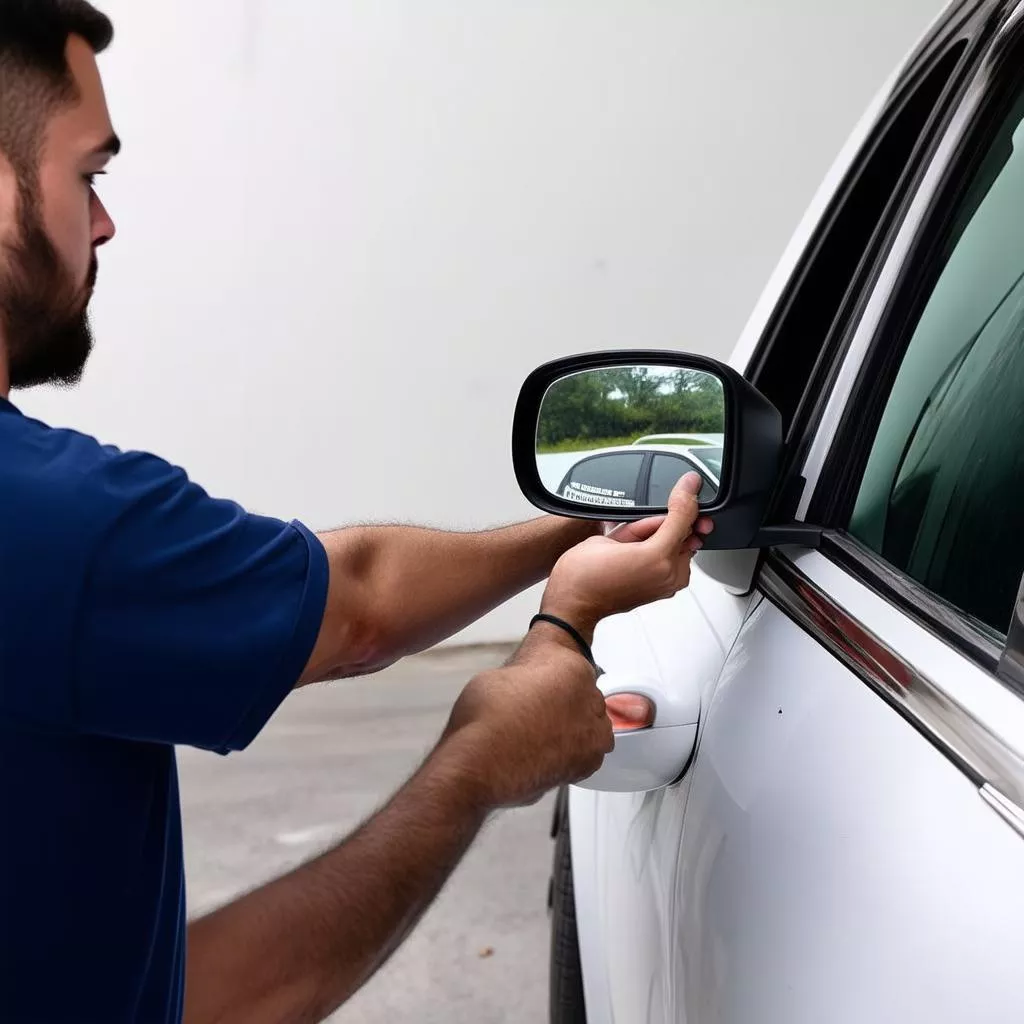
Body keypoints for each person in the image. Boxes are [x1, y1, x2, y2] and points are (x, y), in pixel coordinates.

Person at [0, 3, 713, 1022]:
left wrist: (577, 524)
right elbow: (361, 611)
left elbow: (358, 597)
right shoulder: (55, 522)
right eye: (89, 174)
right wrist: (481, 755)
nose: (105, 222)